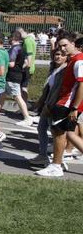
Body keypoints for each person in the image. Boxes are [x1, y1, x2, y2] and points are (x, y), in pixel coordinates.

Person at [35, 34, 83, 177]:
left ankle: (56, 166)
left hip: (66, 103)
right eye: (60, 46)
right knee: (63, 133)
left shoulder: (79, 61)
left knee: (59, 134)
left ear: (73, 43)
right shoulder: (73, 60)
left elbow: (81, 85)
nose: (62, 48)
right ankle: (56, 164)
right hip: (64, 102)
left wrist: (74, 108)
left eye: (65, 45)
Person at [5, 32, 35, 126]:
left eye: (9, 37)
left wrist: (2, 62)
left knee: (17, 96)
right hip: (18, 74)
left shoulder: (14, 49)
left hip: (12, 75)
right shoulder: (22, 48)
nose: (8, 39)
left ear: (13, 38)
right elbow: (26, 62)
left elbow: (11, 64)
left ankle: (26, 117)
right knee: (2, 95)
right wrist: (20, 67)